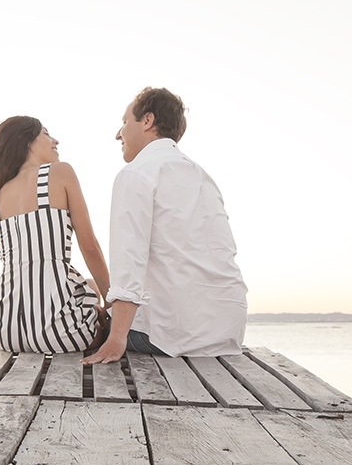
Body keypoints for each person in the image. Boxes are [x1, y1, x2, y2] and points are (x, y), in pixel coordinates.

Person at [83, 87, 247, 363]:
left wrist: (115, 339)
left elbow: (129, 260)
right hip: (226, 333)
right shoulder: (202, 176)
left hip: (171, 337)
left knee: (83, 316)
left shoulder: (136, 173)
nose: (118, 133)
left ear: (147, 121)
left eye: (124, 122)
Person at [0, 115, 110, 353]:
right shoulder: (60, 172)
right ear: (26, 141)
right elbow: (89, 247)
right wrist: (111, 307)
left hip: (7, 333)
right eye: (47, 134)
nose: (55, 140)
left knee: (88, 284)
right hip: (60, 334)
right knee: (99, 307)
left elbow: (21, 268)